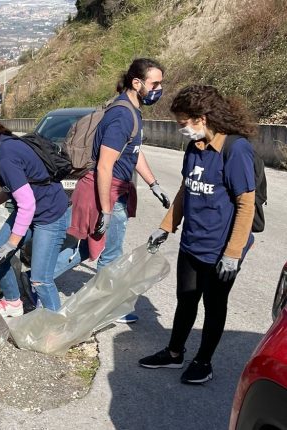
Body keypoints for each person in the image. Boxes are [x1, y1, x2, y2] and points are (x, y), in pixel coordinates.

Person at [139, 85, 257, 384]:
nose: (182, 130)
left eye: (183, 123)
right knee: (186, 300)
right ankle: (174, 353)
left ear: (202, 118)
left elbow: (246, 204)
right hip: (192, 243)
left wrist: (232, 254)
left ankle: (204, 361)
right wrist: (166, 226)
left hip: (221, 250)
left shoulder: (235, 149)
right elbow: (185, 189)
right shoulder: (195, 147)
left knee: (214, 306)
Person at [51, 58, 171, 323]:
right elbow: (105, 166)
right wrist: (106, 209)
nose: (158, 89)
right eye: (155, 83)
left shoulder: (132, 111)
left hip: (114, 190)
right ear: (136, 82)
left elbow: (133, 153)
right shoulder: (121, 115)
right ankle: (106, 309)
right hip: (108, 193)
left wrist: (154, 184)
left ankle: (38, 279)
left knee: (86, 250)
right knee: (110, 253)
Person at [0, 113, 70, 316]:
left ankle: (57, 327)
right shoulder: (2, 146)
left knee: (40, 279)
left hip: (49, 215)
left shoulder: (6, 155)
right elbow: (18, 186)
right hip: (30, 212)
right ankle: (13, 303)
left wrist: (11, 243)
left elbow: (27, 204)